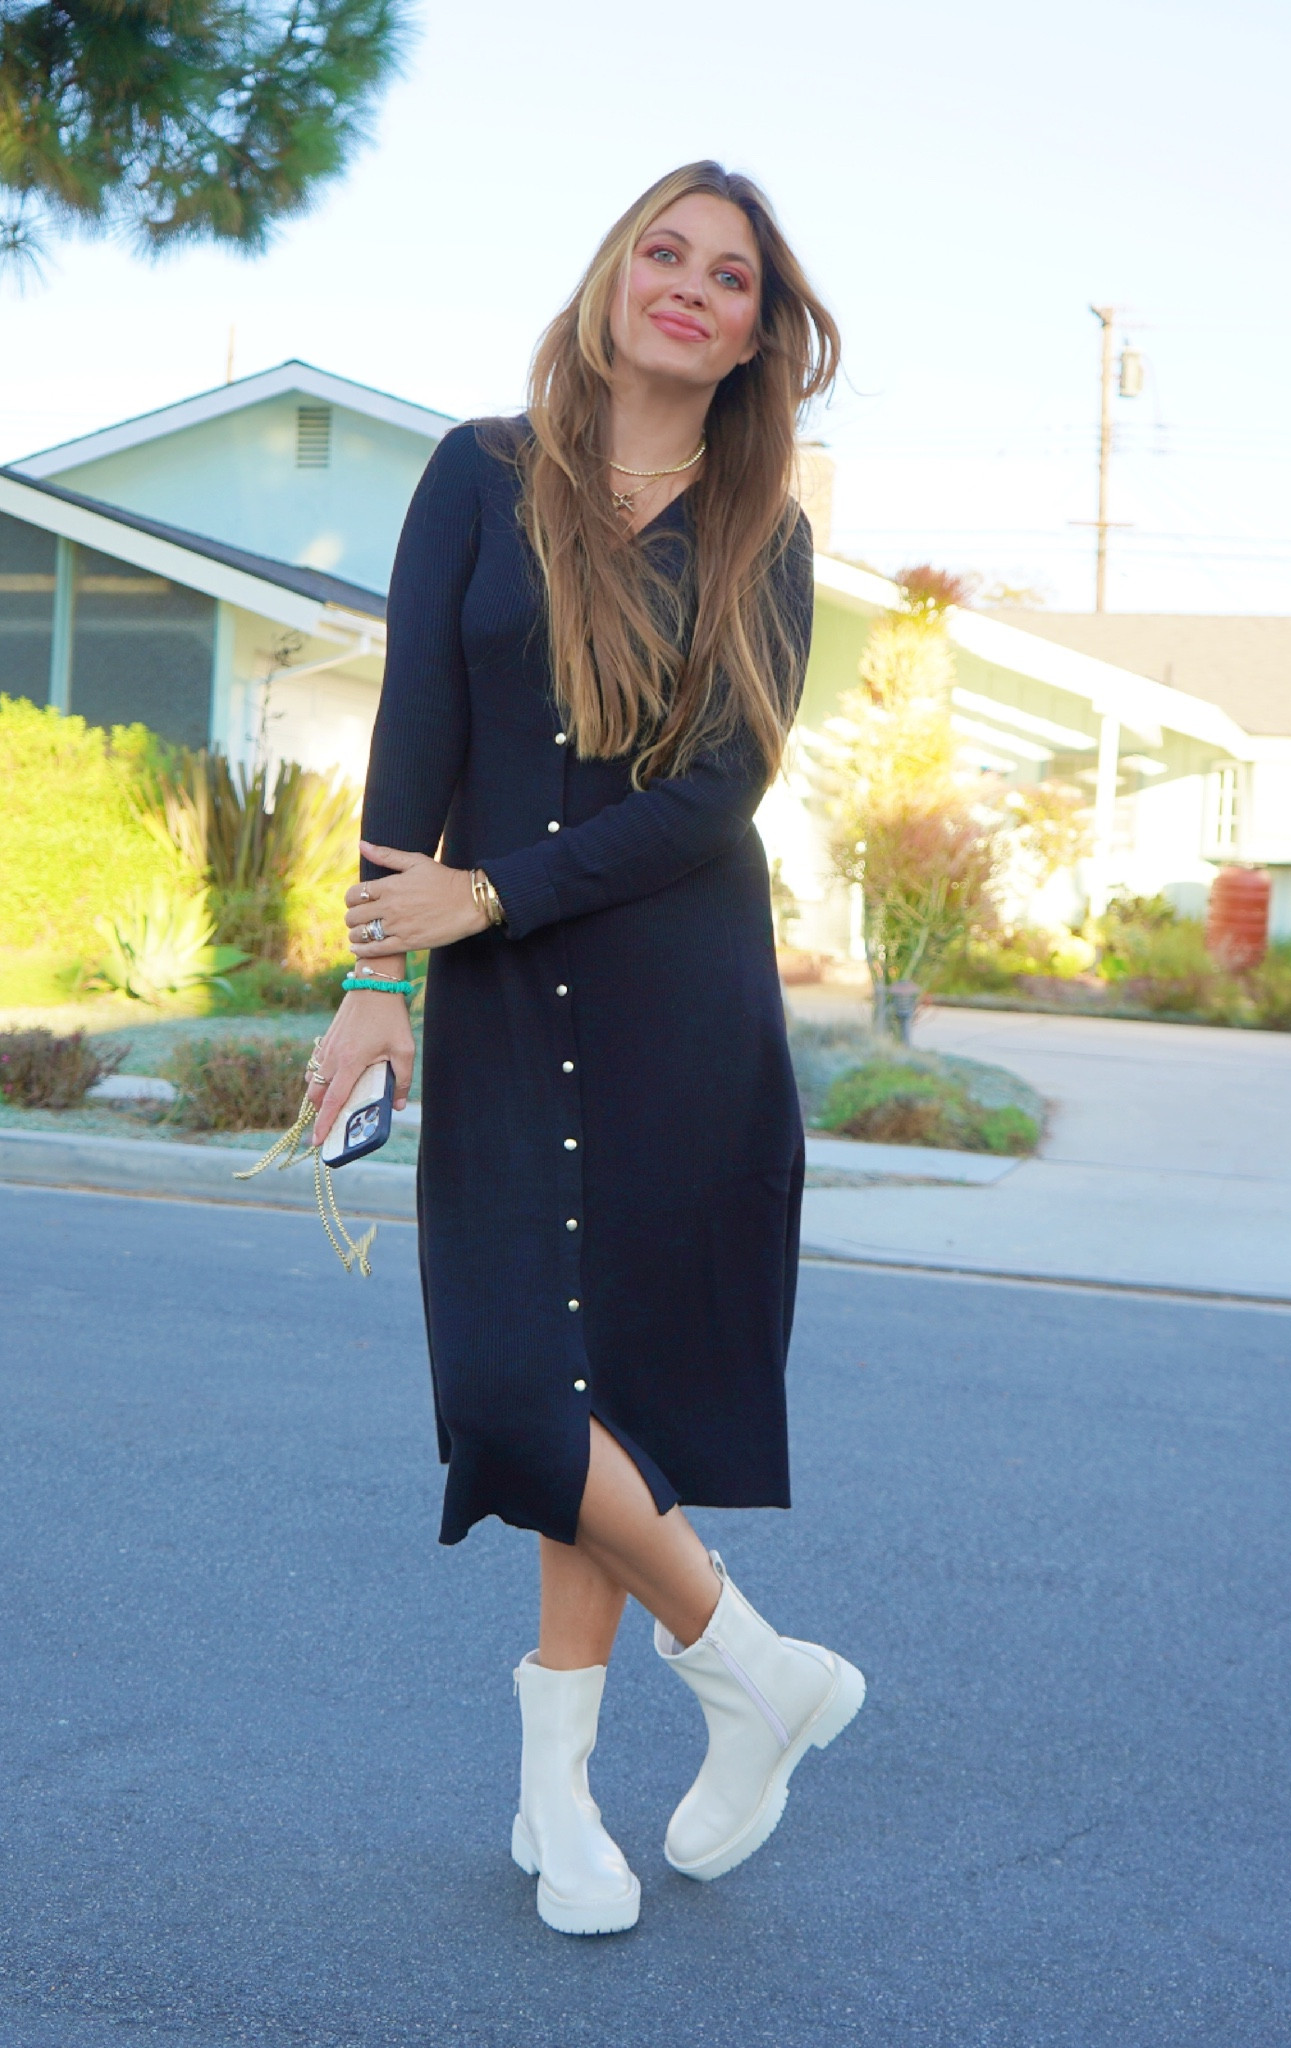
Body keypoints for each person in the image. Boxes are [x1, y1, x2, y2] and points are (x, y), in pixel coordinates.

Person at [306, 162, 861, 1936]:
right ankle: (753, 1667)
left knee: (593, 1396)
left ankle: (560, 1803)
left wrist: (496, 900)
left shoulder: (762, 522)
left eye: (729, 276)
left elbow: (719, 796)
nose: (688, 287)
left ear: (760, 331)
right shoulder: (478, 474)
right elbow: (417, 737)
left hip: (674, 996)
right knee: (507, 1391)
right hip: (488, 991)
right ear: (615, 276)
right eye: (665, 253)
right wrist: (378, 977)